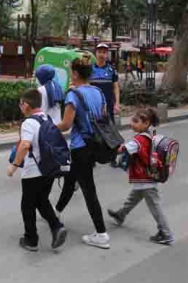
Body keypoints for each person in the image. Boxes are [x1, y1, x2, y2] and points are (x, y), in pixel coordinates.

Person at [55, 55, 111, 249]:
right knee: (71, 180)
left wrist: (47, 127)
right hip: (95, 145)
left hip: (80, 147)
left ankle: (101, 233)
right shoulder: (98, 92)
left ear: (76, 74)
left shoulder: (73, 95)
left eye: (72, 72)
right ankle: (57, 211)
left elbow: (66, 124)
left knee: (88, 190)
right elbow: (103, 118)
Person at [7, 88, 68, 252]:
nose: (20, 107)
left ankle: (31, 239)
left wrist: (14, 165)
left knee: (27, 205)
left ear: (26, 105)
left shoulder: (28, 123)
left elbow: (25, 145)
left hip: (33, 171)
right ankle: (57, 227)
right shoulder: (46, 118)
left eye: (21, 103)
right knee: (41, 200)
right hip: (49, 169)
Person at [107, 108, 174, 245]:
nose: (132, 123)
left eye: (135, 121)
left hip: (145, 179)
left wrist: (112, 145)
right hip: (144, 179)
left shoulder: (140, 139)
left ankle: (166, 233)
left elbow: (123, 149)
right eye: (132, 120)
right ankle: (121, 214)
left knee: (155, 206)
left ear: (146, 123)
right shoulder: (148, 136)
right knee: (133, 198)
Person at [89, 43, 120, 122]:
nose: (101, 54)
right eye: (99, 52)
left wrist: (117, 103)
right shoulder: (89, 69)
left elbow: (116, 87)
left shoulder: (112, 69)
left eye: (104, 52)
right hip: (93, 105)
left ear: (107, 54)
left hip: (108, 104)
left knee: (109, 129)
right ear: (95, 53)